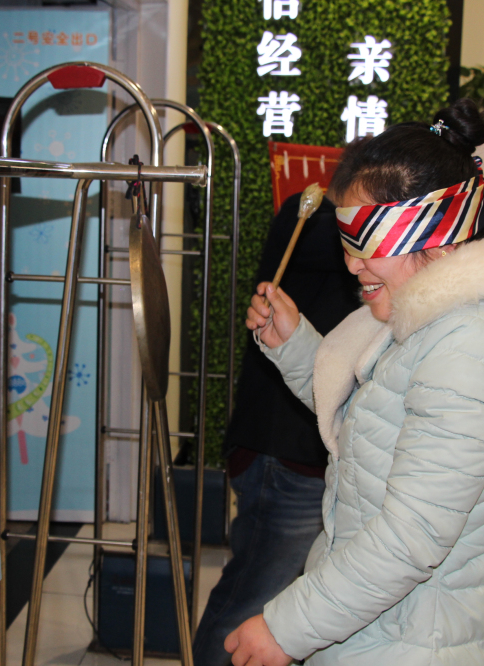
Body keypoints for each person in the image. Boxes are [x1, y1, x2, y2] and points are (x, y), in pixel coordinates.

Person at [224, 98, 484, 666]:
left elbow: (411, 536)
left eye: (367, 242)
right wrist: (294, 345)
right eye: (346, 242)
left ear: (437, 232)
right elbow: (376, 419)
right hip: (376, 627)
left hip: (413, 642)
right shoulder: (430, 319)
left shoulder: (472, 346)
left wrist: (288, 627)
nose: (351, 264)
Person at [191, 191, 360, 666]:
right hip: (287, 456)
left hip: (308, 454)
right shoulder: (315, 223)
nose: (363, 264)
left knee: (273, 607)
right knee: (251, 607)